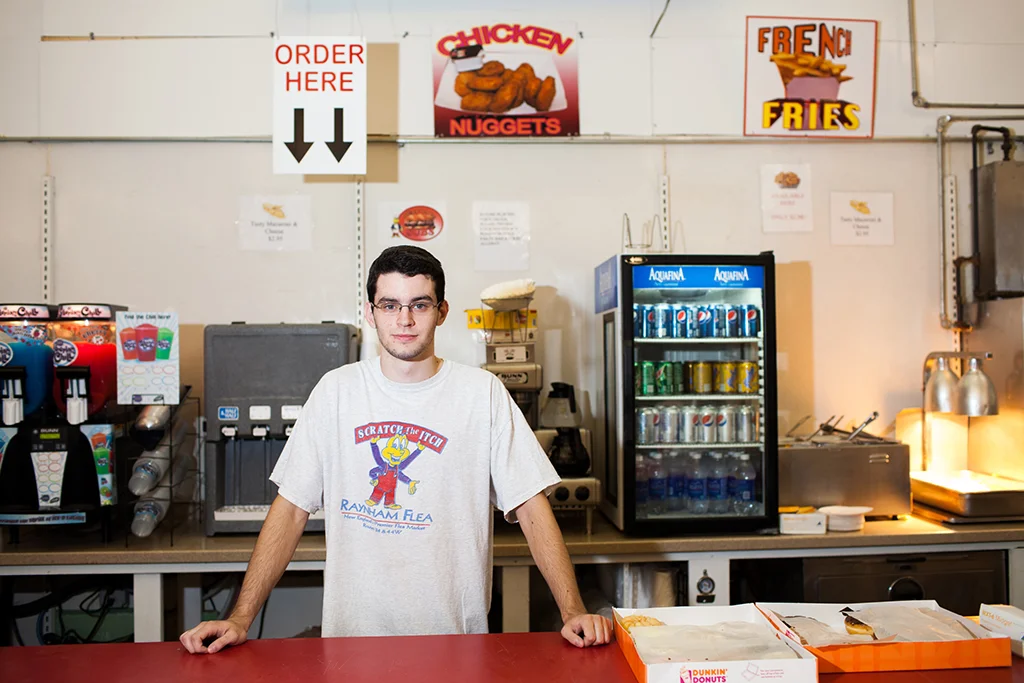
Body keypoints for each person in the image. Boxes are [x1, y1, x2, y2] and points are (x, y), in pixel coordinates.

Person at [180, 246, 613, 654]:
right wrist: (240, 617)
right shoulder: (336, 393)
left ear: (441, 312)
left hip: (455, 643)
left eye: (419, 304)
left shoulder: (482, 394)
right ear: (370, 313)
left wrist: (571, 608)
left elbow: (532, 507)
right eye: (389, 305)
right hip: (353, 644)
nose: (404, 319)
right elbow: (290, 508)